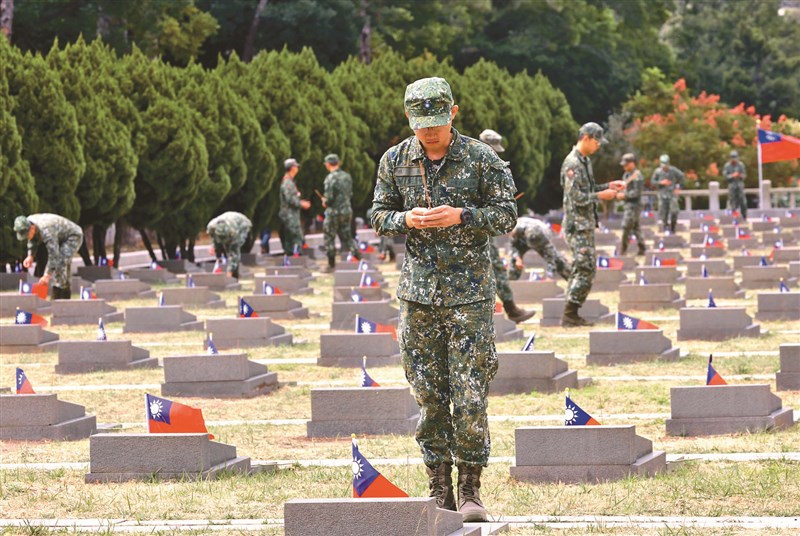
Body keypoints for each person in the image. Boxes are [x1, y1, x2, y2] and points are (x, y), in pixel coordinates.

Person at [370, 77, 517, 522]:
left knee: (470, 393)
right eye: (421, 125)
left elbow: (506, 215)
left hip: (469, 295)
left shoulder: (481, 157)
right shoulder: (395, 159)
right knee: (429, 396)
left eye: (436, 123)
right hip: (418, 296)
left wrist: (462, 215)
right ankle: (439, 487)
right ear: (409, 119)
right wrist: (406, 219)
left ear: (453, 113)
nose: (429, 132)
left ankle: (470, 488)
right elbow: (378, 215)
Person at [560, 123, 625, 327]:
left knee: (583, 267)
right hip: (576, 225)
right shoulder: (572, 163)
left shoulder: (584, 161)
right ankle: (570, 313)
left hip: (584, 224)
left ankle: (570, 313)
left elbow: (588, 189)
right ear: (586, 138)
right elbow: (576, 196)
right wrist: (600, 196)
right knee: (585, 268)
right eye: (597, 141)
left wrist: (608, 186)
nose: (599, 146)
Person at [478, 129, 535, 323]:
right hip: (475, 228)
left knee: (493, 268)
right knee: (493, 268)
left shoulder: (491, 167)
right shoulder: (471, 167)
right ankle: (511, 310)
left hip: (484, 227)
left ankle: (510, 309)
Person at [14, 214, 83, 300]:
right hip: (60, 236)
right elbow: (32, 239)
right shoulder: (28, 222)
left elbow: (53, 255)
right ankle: (64, 296)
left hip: (73, 236)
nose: (27, 237)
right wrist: (30, 256)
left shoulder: (46, 231)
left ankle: (59, 297)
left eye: (27, 235)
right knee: (62, 266)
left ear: (32, 228)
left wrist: (46, 275)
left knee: (61, 262)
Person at [321, 153, 361, 272]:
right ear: (338, 163)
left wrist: (325, 201)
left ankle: (331, 264)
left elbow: (329, 198)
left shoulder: (330, 178)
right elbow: (350, 194)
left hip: (334, 212)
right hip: (346, 210)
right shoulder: (347, 176)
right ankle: (359, 258)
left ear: (328, 164)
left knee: (329, 237)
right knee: (347, 236)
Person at [206, 211, 252, 280]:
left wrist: (230, 272)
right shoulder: (211, 226)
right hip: (229, 219)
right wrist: (212, 245)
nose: (222, 241)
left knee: (232, 251)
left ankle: (235, 276)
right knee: (222, 248)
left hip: (242, 224)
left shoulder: (234, 234)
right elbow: (212, 236)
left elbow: (234, 255)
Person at [279, 158, 311, 255]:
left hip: (291, 214)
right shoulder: (288, 183)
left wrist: (300, 201)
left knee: (291, 238)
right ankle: (297, 257)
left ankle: (292, 257)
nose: (297, 168)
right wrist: (301, 204)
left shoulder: (290, 181)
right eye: (296, 166)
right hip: (290, 215)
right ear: (292, 168)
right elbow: (290, 199)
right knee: (297, 237)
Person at [617, 153, 646, 256]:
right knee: (635, 227)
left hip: (635, 205)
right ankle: (642, 248)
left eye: (626, 164)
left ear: (632, 163)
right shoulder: (626, 175)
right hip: (628, 204)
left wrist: (624, 196)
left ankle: (623, 249)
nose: (624, 166)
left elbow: (637, 193)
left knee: (626, 226)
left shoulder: (637, 176)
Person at [651, 154, 684, 233]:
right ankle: (665, 226)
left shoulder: (673, 170)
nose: (664, 167)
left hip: (672, 194)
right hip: (662, 194)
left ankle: (673, 227)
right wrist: (661, 182)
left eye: (666, 165)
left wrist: (678, 187)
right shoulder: (657, 171)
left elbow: (681, 177)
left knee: (674, 211)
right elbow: (652, 182)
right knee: (663, 212)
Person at [723, 150, 747, 220]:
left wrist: (739, 175)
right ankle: (734, 216)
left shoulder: (741, 165)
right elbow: (725, 176)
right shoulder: (727, 166)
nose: (734, 160)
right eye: (732, 158)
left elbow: (744, 175)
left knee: (743, 201)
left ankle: (744, 216)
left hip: (739, 183)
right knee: (732, 201)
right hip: (731, 184)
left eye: (735, 158)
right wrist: (732, 175)